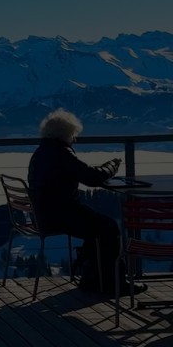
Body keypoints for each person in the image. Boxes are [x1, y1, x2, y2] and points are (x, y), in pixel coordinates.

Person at [27, 108, 146, 296]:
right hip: (61, 216)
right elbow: (92, 177)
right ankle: (113, 283)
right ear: (65, 134)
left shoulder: (42, 151)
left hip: (45, 215)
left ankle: (93, 278)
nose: (75, 139)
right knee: (108, 227)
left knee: (97, 226)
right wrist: (112, 166)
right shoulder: (61, 153)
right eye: (73, 134)